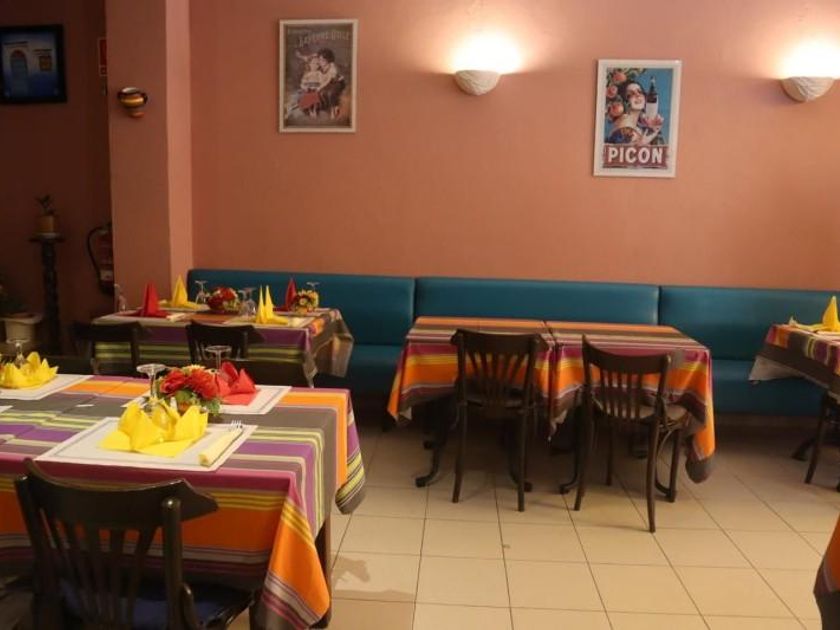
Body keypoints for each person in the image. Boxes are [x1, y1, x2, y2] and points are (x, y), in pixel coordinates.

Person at [606, 79, 663, 146]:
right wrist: (638, 144)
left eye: (640, 92)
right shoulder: (624, 127)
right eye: (630, 94)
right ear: (623, 101)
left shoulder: (638, 127)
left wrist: (653, 130)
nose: (637, 95)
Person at [315, 48, 346, 120]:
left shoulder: (332, 67)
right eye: (319, 60)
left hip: (337, 83)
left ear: (328, 60)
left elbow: (328, 80)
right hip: (328, 84)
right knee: (322, 93)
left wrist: (320, 87)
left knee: (330, 93)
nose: (320, 62)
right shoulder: (320, 68)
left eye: (323, 60)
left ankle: (334, 109)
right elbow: (322, 79)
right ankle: (326, 108)